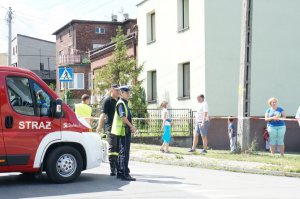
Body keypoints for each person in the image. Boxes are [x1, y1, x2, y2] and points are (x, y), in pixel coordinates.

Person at [111, 86, 137, 181]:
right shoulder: (121, 103)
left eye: (129, 93)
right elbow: (123, 117)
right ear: (121, 93)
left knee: (122, 153)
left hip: (124, 131)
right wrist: (131, 126)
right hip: (123, 132)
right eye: (127, 93)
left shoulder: (124, 103)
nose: (129, 94)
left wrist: (131, 126)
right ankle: (125, 173)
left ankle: (120, 173)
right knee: (124, 153)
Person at [96, 84, 120, 176]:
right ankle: (112, 168)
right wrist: (99, 127)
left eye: (119, 90)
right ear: (112, 90)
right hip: (110, 128)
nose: (118, 92)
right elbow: (103, 115)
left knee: (118, 148)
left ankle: (118, 167)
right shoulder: (107, 101)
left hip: (119, 128)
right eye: (117, 90)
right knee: (112, 147)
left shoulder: (119, 101)